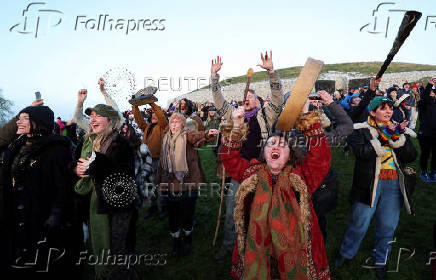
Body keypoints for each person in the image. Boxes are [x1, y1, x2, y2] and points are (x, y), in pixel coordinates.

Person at [221, 100, 331, 280]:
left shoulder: (301, 177)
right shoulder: (252, 173)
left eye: (282, 145)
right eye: (271, 144)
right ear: (264, 153)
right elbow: (229, 159)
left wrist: (307, 119)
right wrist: (237, 125)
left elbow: (321, 157)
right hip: (259, 250)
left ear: (290, 155)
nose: (276, 146)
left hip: (294, 249)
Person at [210, 52, 284, 260]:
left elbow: (278, 99)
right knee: (234, 210)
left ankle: (260, 249)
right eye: (246, 97)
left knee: (262, 212)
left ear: (259, 103)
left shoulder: (265, 117)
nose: (249, 99)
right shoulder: (234, 116)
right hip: (238, 173)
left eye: (253, 97)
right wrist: (214, 78)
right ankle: (228, 246)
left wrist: (271, 72)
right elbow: (218, 101)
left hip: (262, 171)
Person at [335, 96, 417, 279]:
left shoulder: (398, 129)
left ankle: (381, 259)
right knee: (359, 223)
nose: (388, 111)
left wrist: (397, 138)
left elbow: (412, 155)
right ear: (372, 112)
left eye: (390, 108)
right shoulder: (361, 129)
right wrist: (384, 136)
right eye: (383, 108)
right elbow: (361, 152)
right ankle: (346, 252)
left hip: (394, 183)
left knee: (388, 225)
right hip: (368, 183)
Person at [1, 106, 80, 279]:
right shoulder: (18, 145)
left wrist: (54, 218)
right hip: (19, 218)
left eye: (24, 118)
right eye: (18, 118)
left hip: (42, 221)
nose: (18, 122)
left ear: (38, 122)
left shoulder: (56, 150)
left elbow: (63, 189)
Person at [74, 104, 137, 279]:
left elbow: (123, 177)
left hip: (117, 207)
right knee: (104, 247)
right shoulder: (87, 142)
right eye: (91, 116)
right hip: (94, 203)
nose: (92, 120)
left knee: (118, 251)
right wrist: (76, 170)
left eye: (98, 115)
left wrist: (95, 164)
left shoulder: (120, 143)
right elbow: (74, 164)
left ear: (109, 120)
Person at [158, 113, 218, 257]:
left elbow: (197, 137)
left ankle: (188, 239)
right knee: (173, 216)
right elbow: (161, 164)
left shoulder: (187, 135)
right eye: (171, 122)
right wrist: (158, 182)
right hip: (170, 185)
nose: (173, 125)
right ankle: (176, 242)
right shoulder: (165, 139)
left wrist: (207, 134)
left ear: (183, 125)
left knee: (187, 215)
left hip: (187, 185)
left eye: (177, 122)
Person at [131, 88, 169, 218]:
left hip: (159, 160)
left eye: (155, 115)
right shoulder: (147, 127)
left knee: (162, 185)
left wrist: (151, 102)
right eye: (152, 114)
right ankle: (153, 207)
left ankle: (164, 209)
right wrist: (134, 106)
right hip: (146, 160)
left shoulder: (163, 126)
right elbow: (138, 119)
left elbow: (160, 116)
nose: (153, 115)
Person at [417, 78, 436, 182]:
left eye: (433, 92)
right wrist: (429, 85)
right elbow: (424, 96)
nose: (432, 93)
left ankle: (433, 172)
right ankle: (424, 172)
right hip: (425, 133)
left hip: (435, 133)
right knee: (425, 154)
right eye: (430, 92)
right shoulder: (422, 103)